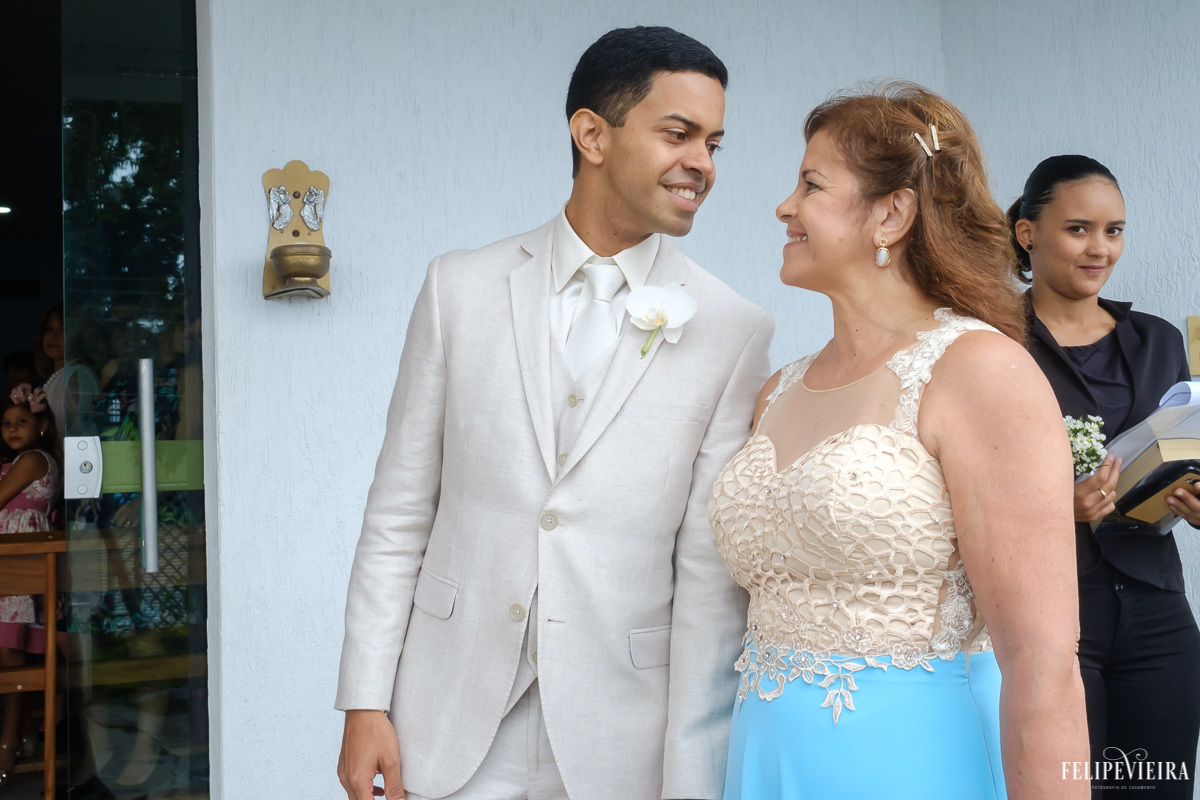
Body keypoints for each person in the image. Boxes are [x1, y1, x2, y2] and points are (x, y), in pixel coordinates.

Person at [336, 25, 772, 800]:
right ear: (591, 135)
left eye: (714, 143)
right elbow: (399, 512)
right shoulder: (457, 289)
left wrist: (692, 778)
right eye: (679, 134)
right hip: (448, 717)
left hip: (619, 740)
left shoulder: (732, 330)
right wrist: (365, 700)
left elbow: (708, 585)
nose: (702, 164)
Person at [709, 83, 1089, 800]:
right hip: (764, 761)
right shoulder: (778, 389)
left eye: (810, 184)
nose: (784, 207)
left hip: (911, 763)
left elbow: (1043, 664)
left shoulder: (981, 372)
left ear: (892, 213)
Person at [1009, 155, 1200, 798]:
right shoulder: (992, 344)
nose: (1101, 249)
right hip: (1054, 612)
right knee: (1071, 787)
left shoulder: (1160, 341)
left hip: (1159, 606)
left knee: (1159, 789)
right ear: (1028, 233)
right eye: (1079, 229)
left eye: (1114, 231)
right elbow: (951, 486)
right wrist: (1056, 506)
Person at [0, 384, 62, 786]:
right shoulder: (19, 460)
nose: (11, 429)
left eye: (21, 421)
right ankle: (21, 734)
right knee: (12, 657)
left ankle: (6, 743)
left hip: (20, 567)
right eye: (5, 423)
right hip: (11, 566)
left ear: (41, 426)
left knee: (11, 659)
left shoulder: (35, 459)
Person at [34, 302, 100, 438]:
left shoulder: (79, 375)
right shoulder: (60, 375)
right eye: (49, 329)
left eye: (64, 329)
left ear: (80, 338)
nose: (54, 335)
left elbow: (70, 429)